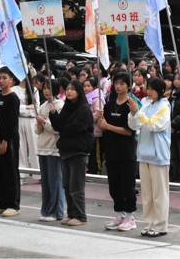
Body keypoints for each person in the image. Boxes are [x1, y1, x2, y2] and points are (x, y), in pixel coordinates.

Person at [128, 77, 172, 237]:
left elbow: (153, 124)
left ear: (160, 90)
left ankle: (161, 226)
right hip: (144, 154)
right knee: (147, 194)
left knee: (159, 193)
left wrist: (138, 112)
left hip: (158, 155)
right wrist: (134, 113)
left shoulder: (164, 106)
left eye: (152, 88)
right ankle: (149, 224)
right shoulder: (146, 106)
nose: (149, 91)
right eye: (148, 87)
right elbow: (134, 125)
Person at [48, 79, 94, 227]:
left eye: (72, 89)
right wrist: (53, 114)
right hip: (66, 150)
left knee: (76, 186)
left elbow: (75, 128)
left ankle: (81, 215)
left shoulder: (84, 109)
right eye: (67, 89)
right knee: (67, 185)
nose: (69, 92)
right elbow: (58, 125)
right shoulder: (67, 107)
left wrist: (63, 128)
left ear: (79, 92)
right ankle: (72, 213)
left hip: (78, 151)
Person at [97, 71, 138, 231]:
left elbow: (128, 131)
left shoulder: (131, 105)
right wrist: (101, 121)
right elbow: (103, 127)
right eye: (116, 83)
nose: (118, 86)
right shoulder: (109, 104)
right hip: (112, 150)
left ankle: (130, 216)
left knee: (127, 185)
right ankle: (120, 214)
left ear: (128, 85)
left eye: (122, 83)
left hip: (126, 151)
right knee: (114, 185)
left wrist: (108, 126)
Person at [0, 67, 22, 216]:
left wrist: (6, 141)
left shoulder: (13, 98)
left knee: (10, 171)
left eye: (4, 78)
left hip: (9, 140)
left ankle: (13, 205)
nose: (1, 81)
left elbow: (13, 123)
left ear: (12, 81)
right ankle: (1, 203)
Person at [35, 78, 65, 222]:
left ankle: (56, 211)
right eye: (44, 88)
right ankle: (46, 210)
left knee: (55, 181)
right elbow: (38, 129)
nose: (46, 91)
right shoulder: (42, 106)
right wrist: (39, 127)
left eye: (49, 88)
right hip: (42, 147)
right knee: (46, 182)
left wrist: (44, 123)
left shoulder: (59, 106)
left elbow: (57, 129)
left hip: (53, 148)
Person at [13, 74, 39, 182]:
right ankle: (22, 175)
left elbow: (36, 108)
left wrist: (23, 108)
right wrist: (27, 107)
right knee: (20, 147)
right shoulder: (13, 90)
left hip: (31, 120)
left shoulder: (34, 90)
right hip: (19, 119)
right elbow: (14, 107)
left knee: (34, 146)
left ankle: (38, 174)